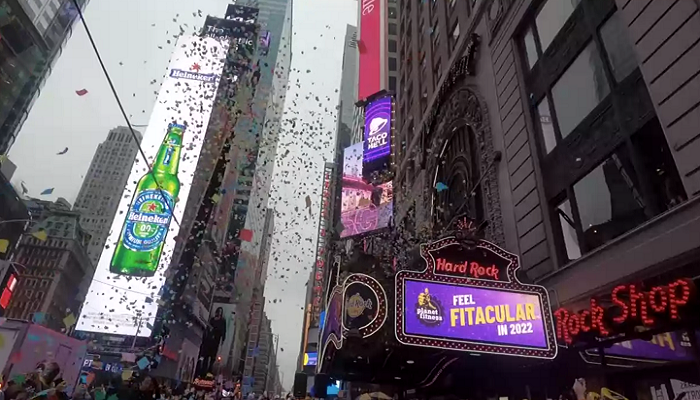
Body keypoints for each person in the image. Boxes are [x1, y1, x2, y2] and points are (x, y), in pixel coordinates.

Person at [197, 308, 226, 377]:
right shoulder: (212, 319)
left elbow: (224, 331)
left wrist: (223, 339)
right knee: (206, 355)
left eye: (220, 312)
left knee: (213, 356)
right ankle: (203, 370)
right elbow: (208, 327)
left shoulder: (222, 321)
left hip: (216, 339)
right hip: (209, 339)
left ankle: (209, 369)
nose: (219, 313)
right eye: (218, 311)